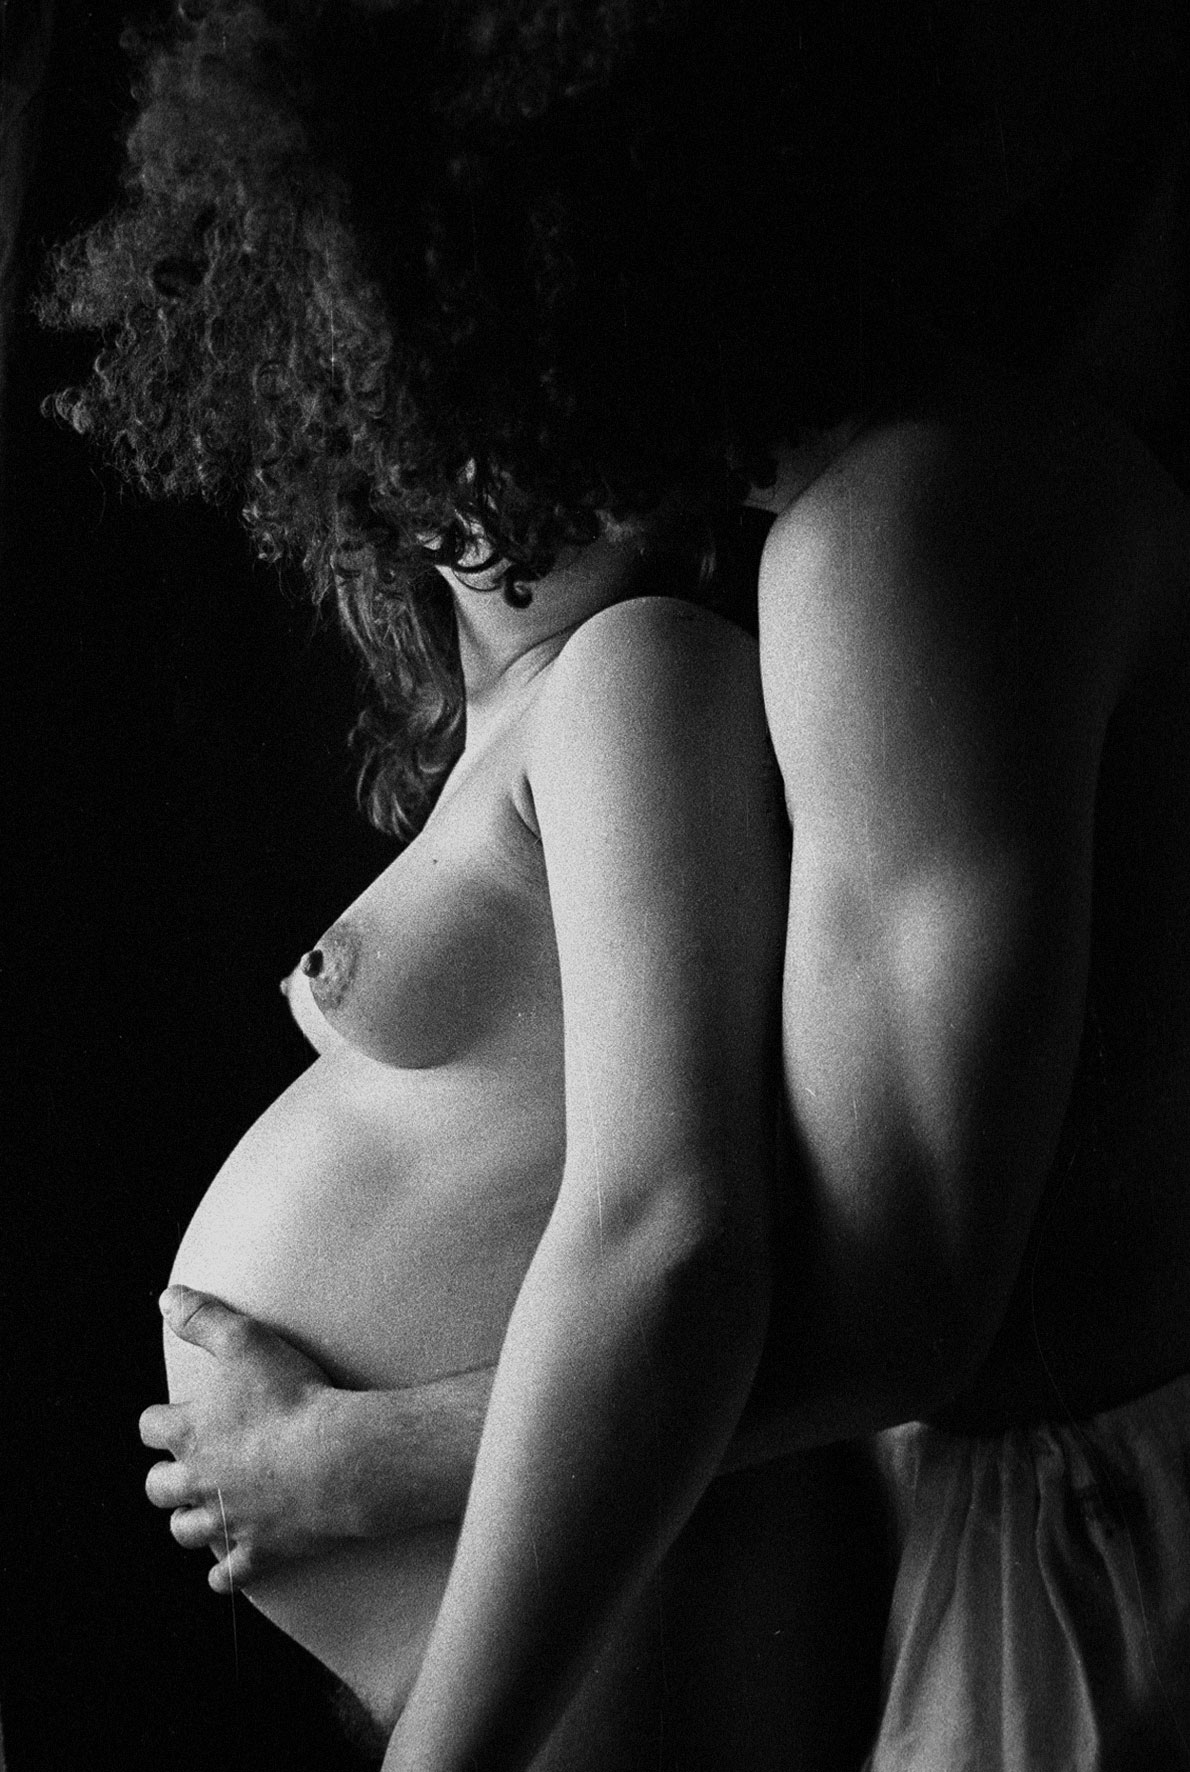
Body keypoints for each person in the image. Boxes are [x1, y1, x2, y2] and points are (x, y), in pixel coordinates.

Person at [53, 0, 1190, 1765]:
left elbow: (880, 1305)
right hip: (1004, 1519)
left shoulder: (895, 534)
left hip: (1078, 1532)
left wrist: (348, 1461)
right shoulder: (853, 536)